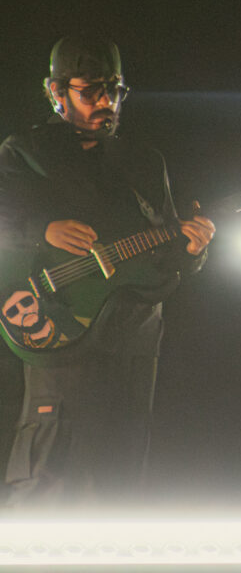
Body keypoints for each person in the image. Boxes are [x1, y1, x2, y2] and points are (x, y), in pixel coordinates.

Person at [0, 35, 215, 506]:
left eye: (115, 91)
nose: (106, 102)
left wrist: (192, 250)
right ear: (56, 93)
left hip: (135, 334)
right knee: (50, 464)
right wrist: (43, 229)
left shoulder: (144, 162)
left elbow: (164, 256)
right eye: (91, 90)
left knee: (119, 470)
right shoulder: (25, 151)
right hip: (63, 320)